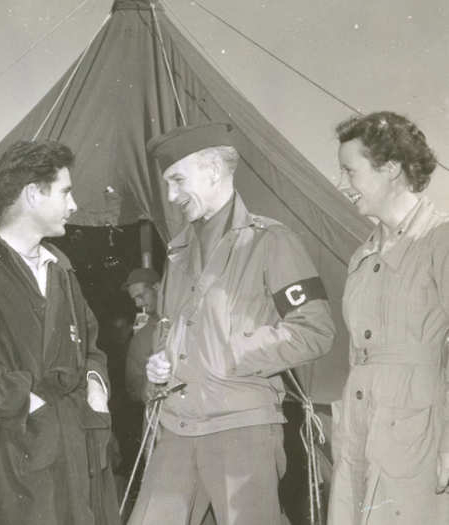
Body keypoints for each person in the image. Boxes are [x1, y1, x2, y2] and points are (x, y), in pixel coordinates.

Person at [127, 122, 335, 525]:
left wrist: (233, 351)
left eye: (177, 180)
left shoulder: (270, 241)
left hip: (242, 429)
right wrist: (159, 362)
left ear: (212, 170)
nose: (170, 196)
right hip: (179, 426)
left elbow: (315, 330)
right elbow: (171, 329)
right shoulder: (178, 252)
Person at [0, 140, 120, 525]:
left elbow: (90, 342)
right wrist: (32, 404)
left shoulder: (60, 267)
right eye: (66, 192)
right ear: (33, 194)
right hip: (20, 452)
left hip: (81, 444)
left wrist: (96, 387)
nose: (74, 206)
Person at [328, 111, 449, 524]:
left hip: (419, 434)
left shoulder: (440, 240)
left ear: (391, 168)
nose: (343, 185)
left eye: (351, 171)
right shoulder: (361, 255)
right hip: (361, 429)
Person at [123, 268, 161, 403]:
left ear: (157, 287)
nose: (138, 304)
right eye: (134, 299)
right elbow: (133, 385)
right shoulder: (140, 339)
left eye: (141, 296)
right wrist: (145, 388)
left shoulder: (185, 322)